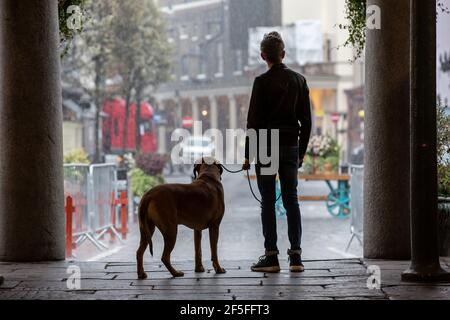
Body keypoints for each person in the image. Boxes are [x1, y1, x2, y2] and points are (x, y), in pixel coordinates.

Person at [243, 32, 312, 273]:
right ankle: (296, 257)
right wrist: (300, 152)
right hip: (291, 144)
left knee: (268, 202)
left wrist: (247, 155)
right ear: (283, 54)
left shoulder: (261, 82)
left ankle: (271, 257)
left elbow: (253, 122)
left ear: (263, 56)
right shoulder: (299, 81)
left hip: (266, 145)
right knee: (291, 199)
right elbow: (307, 121)